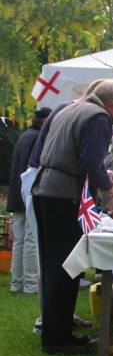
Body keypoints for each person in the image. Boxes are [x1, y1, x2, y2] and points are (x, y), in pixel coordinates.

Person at [32, 78, 113, 355]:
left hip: (43, 189)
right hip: (63, 195)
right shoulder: (99, 118)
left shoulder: (66, 107)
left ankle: (57, 330)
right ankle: (57, 339)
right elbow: (89, 161)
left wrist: (101, 173)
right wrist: (111, 187)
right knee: (66, 266)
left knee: (54, 265)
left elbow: (42, 152)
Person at [7, 107, 51, 294]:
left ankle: (16, 282)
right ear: (45, 121)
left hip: (17, 192)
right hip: (28, 192)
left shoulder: (25, 136)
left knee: (20, 240)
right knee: (31, 238)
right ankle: (31, 283)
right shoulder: (37, 138)